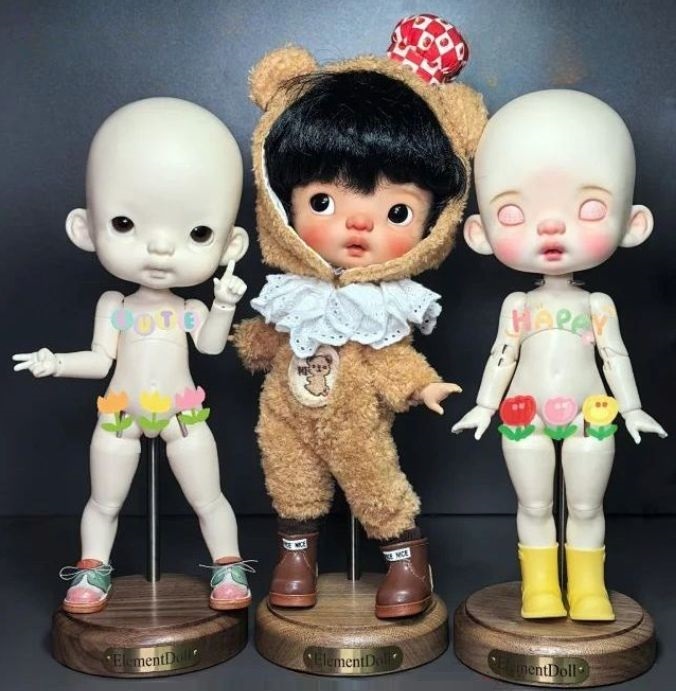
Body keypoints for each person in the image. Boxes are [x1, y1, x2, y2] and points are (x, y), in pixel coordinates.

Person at [235, 14, 487, 618]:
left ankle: (406, 559)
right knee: (290, 480)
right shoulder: (291, 294)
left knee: (376, 485)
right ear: (280, 203)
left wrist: (422, 385)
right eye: (323, 200)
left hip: (354, 420)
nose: (356, 223)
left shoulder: (381, 306)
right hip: (285, 409)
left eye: (397, 212)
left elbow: (389, 356)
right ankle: (295, 558)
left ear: (437, 222)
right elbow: (264, 342)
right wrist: (248, 339)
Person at [13, 98, 252, 613]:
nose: (160, 248)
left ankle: (228, 564)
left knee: (208, 498)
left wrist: (224, 305)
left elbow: (211, 346)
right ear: (85, 227)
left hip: (182, 414)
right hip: (119, 413)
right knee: (104, 501)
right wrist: (57, 363)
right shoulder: (115, 304)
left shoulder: (189, 307)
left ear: (230, 245)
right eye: (125, 224)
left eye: (198, 233)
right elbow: (101, 361)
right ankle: (92, 567)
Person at [452, 90, 667, 621]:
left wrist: (632, 408)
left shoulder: (597, 305)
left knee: (588, 505)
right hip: (522, 415)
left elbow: (615, 357)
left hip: (594, 416)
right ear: (479, 232)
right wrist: (484, 405)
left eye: (589, 208)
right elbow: (502, 356)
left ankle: (589, 590)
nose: (550, 227)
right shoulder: (519, 305)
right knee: (533, 504)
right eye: (513, 213)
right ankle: (541, 588)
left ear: (633, 222)